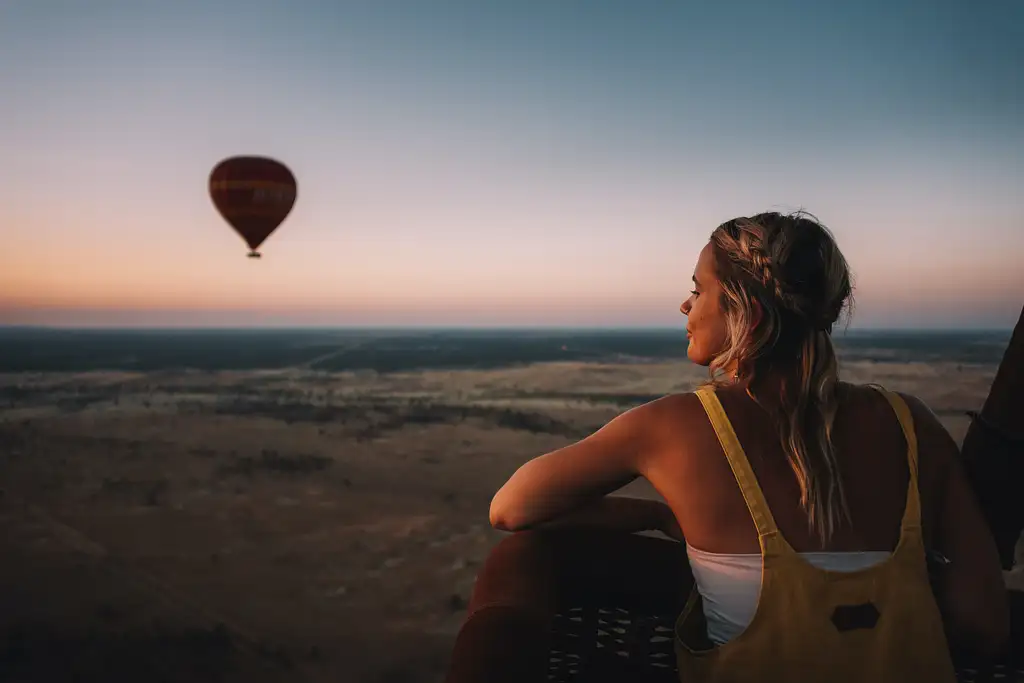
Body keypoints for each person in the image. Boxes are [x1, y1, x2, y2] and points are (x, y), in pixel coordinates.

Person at [484, 211, 1009, 682]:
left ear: (747, 314)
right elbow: (982, 625)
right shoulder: (910, 422)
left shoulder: (672, 427)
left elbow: (510, 509)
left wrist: (657, 518)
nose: (684, 304)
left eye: (698, 289)